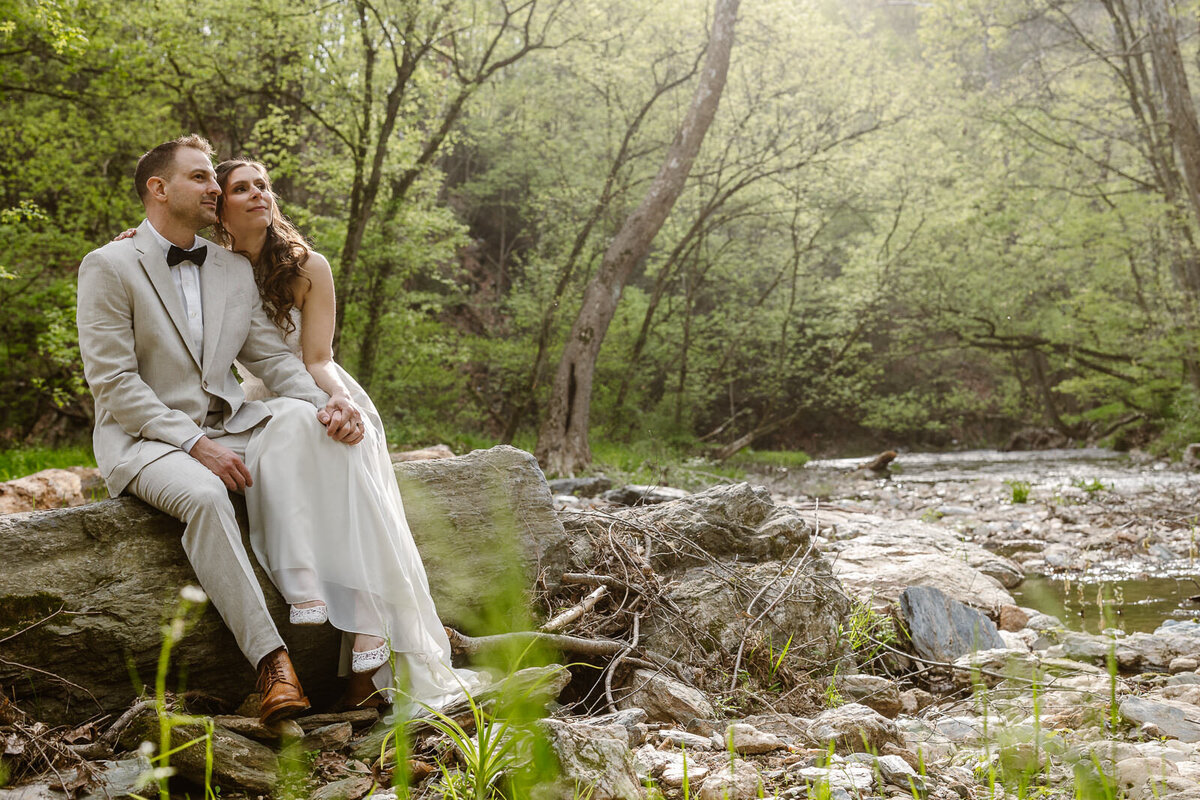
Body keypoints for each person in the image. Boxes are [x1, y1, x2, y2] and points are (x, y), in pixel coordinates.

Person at [77, 135, 367, 725]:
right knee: (209, 495)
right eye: (203, 178)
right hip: (144, 441)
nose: (216, 189)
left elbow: (273, 360)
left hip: (225, 426)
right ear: (159, 189)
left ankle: (363, 638)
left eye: (216, 179)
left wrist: (328, 403)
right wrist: (194, 444)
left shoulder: (231, 269)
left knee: (310, 438)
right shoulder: (108, 265)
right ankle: (273, 663)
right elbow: (112, 382)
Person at [212, 157, 481, 711]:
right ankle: (333, 609)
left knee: (340, 460)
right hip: (261, 403)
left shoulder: (309, 266)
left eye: (264, 184)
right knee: (287, 433)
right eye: (242, 188)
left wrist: (340, 402)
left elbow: (317, 357)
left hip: (316, 387)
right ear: (219, 206)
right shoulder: (210, 265)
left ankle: (371, 639)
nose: (260, 193)